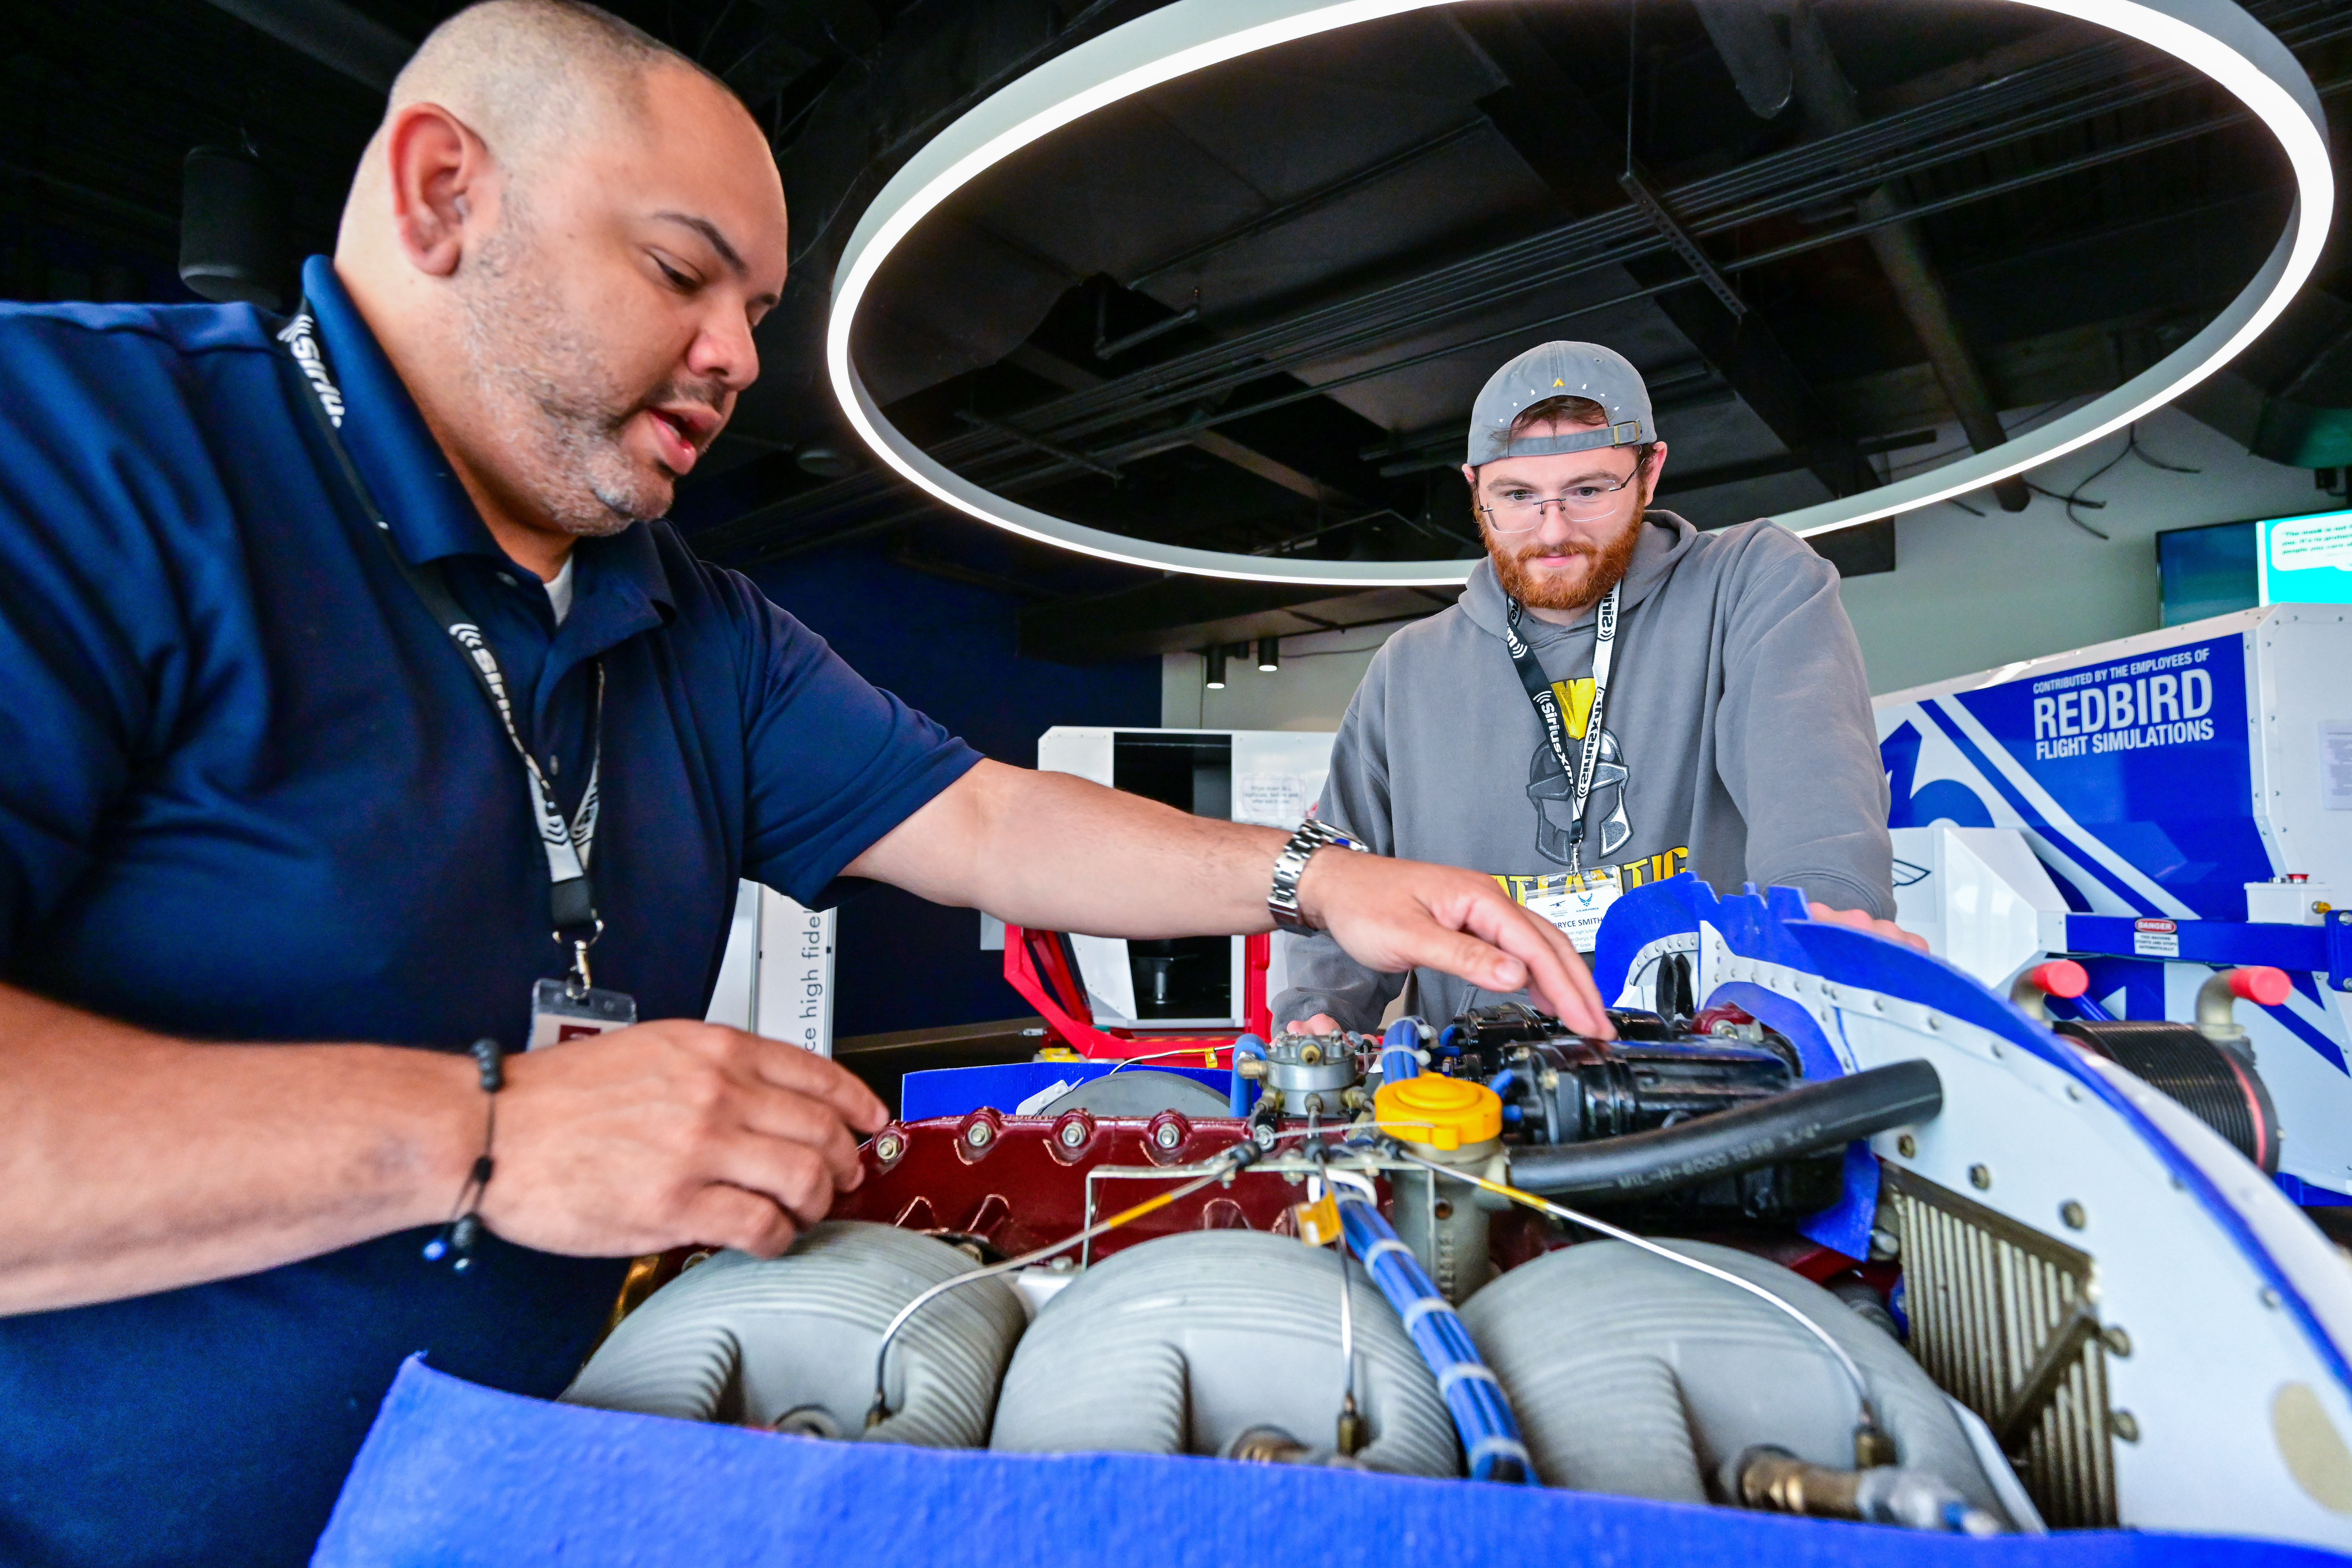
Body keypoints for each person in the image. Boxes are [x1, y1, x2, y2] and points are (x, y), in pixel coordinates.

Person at [0, 6, 1606, 1563]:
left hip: (541, 1486)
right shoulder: (71, 446)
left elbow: (981, 816)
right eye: (682, 272)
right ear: (441, 194)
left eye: (757, 311)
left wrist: (1320, 878)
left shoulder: (683, 610)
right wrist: (479, 1131)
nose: (731, 360)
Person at [1277, 340, 1920, 1037]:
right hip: (1481, 1087)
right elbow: (1344, 872)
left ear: (1649, 473)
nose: (1554, 532)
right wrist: (1320, 1015)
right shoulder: (1406, 669)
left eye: (1588, 491)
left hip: (1719, 1062)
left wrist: (1822, 925)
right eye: (1518, 497)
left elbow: (1812, 780)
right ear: (1473, 488)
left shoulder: (1751, 582)